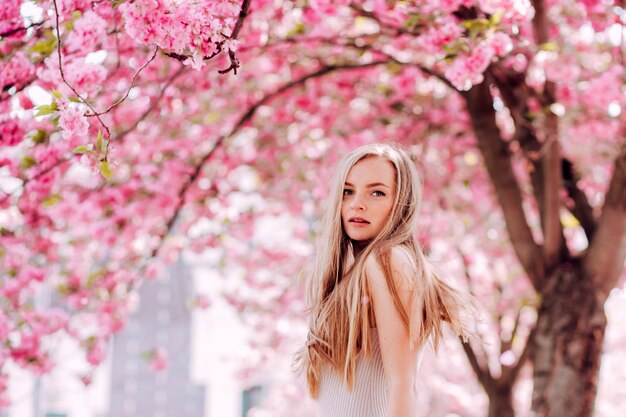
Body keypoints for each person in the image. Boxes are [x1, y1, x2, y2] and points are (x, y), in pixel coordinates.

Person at [294, 143, 476, 417]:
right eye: (348, 191)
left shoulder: (388, 260)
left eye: (377, 192)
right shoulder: (360, 270)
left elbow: (402, 385)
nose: (357, 203)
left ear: (401, 203)